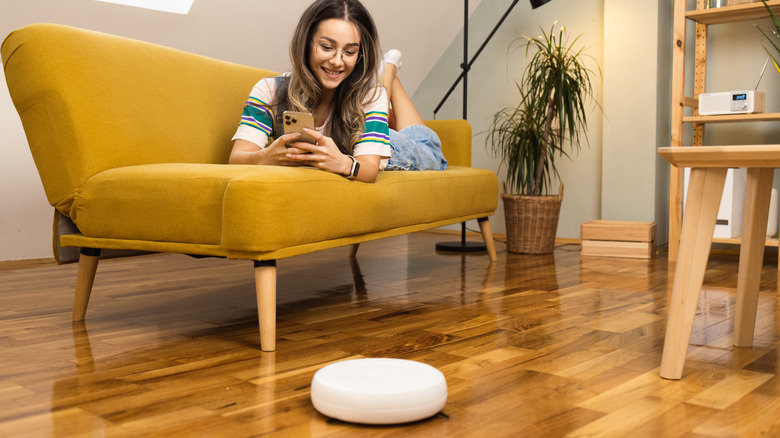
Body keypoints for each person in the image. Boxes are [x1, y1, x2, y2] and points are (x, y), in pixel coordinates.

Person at [229, 0, 447, 183]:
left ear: (360, 54)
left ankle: (389, 75)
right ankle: (388, 79)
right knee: (377, 97)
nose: (336, 62)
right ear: (306, 43)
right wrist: (266, 157)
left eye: (350, 51)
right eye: (326, 47)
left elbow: (369, 171)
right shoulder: (270, 91)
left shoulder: (371, 97)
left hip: (392, 149)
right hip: (366, 137)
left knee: (431, 152)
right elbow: (236, 159)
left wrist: (344, 163)